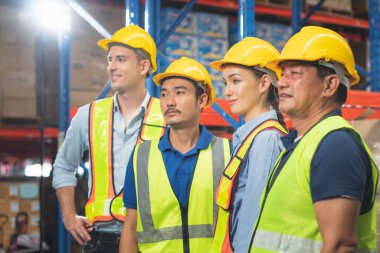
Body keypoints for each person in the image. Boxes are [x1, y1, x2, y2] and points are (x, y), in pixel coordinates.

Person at [249, 26, 378, 253]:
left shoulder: (335, 145)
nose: (281, 83)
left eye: (295, 73)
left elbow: (340, 246)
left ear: (329, 85)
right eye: (282, 74)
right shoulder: (300, 143)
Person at [52, 25, 166, 253]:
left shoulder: (167, 116)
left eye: (121, 60)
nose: (111, 67)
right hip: (100, 241)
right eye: (110, 59)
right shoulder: (89, 115)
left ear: (144, 66)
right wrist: (68, 216)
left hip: (152, 241)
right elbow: (64, 167)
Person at [119, 57, 231, 253]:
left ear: (202, 100)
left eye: (179, 93)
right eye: (164, 94)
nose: (169, 102)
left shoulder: (228, 153)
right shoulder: (141, 156)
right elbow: (130, 226)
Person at [209, 37, 288, 253]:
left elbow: (252, 224)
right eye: (226, 82)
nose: (227, 91)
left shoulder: (266, 141)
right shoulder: (252, 136)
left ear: (263, 83)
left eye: (235, 81)